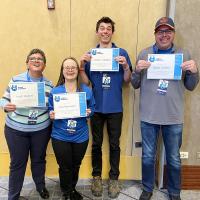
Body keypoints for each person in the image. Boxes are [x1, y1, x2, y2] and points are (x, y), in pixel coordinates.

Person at [131, 17, 199, 200]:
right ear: (155, 34)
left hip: (173, 117)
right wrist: (136, 71)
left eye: (167, 31)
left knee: (174, 159)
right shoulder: (144, 54)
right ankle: (147, 188)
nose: (164, 35)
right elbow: (135, 84)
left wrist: (195, 72)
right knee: (148, 156)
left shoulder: (184, 55)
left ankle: (174, 192)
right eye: (160, 31)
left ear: (173, 34)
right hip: (149, 116)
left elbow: (191, 86)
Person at [79, 16, 132, 199]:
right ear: (97, 32)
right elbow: (86, 84)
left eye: (108, 28)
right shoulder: (91, 54)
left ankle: (114, 179)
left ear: (112, 32)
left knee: (115, 144)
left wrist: (125, 67)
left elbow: (127, 81)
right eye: (102, 28)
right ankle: (96, 177)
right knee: (96, 144)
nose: (105, 31)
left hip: (115, 108)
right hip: (96, 107)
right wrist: (81, 66)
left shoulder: (121, 53)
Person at [0, 49, 53, 200]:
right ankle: (13, 195)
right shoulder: (16, 80)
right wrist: (5, 106)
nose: (36, 61)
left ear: (44, 65)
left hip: (41, 130)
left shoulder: (49, 84)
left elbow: (52, 106)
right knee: (17, 163)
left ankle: (40, 187)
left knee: (39, 160)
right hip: (16, 130)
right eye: (33, 58)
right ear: (27, 63)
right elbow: (3, 99)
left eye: (40, 59)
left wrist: (54, 113)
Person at [48, 57, 95, 200]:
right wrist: (52, 114)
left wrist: (89, 112)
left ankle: (72, 189)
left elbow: (93, 108)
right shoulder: (55, 92)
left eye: (73, 67)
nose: (70, 70)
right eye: (66, 67)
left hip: (80, 136)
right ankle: (66, 192)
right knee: (64, 166)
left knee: (76, 165)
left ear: (77, 70)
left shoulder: (86, 91)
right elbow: (50, 109)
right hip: (60, 136)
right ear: (62, 71)